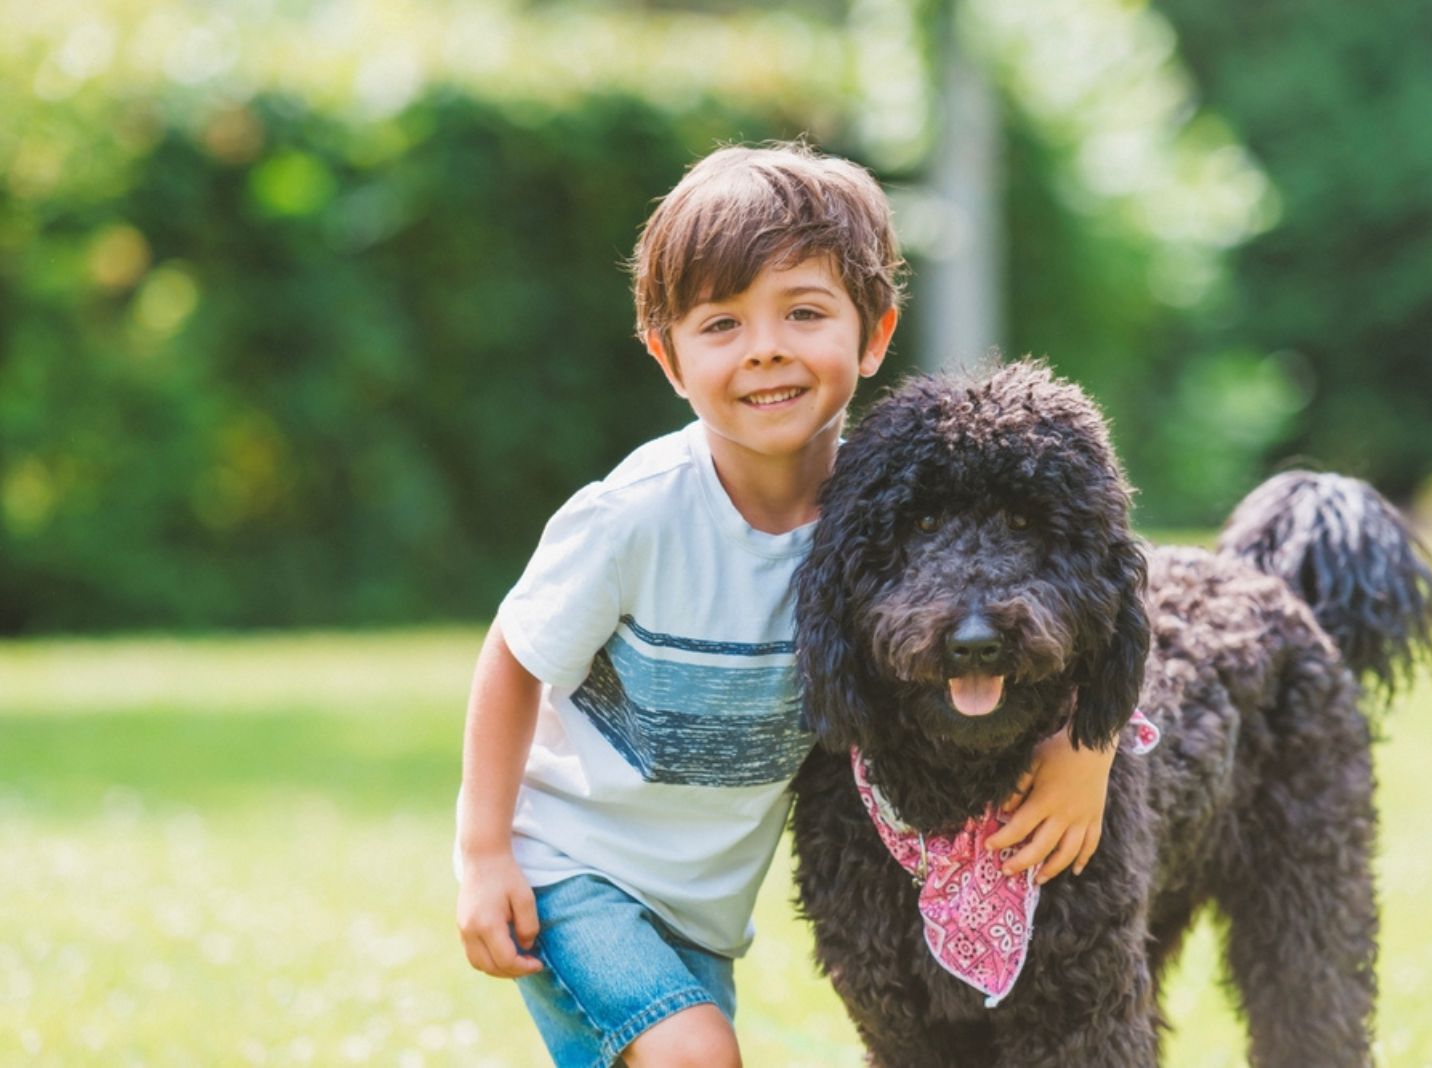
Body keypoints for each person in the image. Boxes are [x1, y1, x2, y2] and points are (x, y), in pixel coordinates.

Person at [454, 142, 1121, 1068]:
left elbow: (1093, 593)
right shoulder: (634, 517)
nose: (765, 347)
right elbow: (513, 657)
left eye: (803, 313)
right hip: (573, 871)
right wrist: (486, 854)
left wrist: (1087, 746)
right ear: (669, 358)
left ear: (875, 333)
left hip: (703, 907)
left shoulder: (886, 524)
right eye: (721, 324)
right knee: (698, 1056)